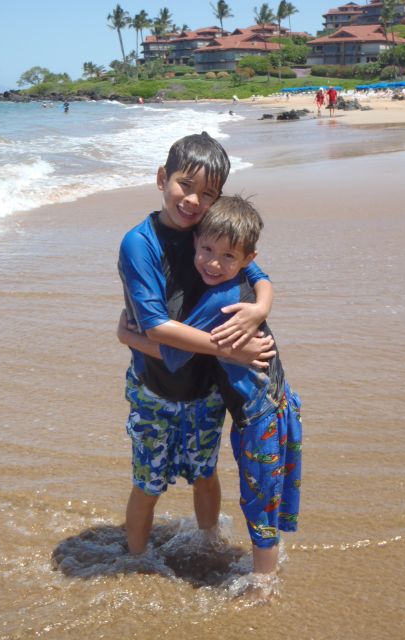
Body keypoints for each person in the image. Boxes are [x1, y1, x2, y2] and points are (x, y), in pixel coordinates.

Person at [118, 195, 302, 590]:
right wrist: (260, 306)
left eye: (227, 256)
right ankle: (259, 572)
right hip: (275, 402)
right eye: (207, 250)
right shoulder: (236, 281)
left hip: (259, 415)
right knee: (264, 496)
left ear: (246, 258)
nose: (213, 263)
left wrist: (126, 336)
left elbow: (174, 353)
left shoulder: (220, 298)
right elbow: (256, 276)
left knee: (260, 500)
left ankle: (263, 586)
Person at [117, 133, 275, 557]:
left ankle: (210, 546)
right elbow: (156, 327)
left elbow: (256, 271)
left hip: (205, 389)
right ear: (162, 178)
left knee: (205, 475)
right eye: (185, 185)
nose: (192, 201)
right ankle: (136, 561)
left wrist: (260, 308)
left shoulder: (207, 231)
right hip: (154, 390)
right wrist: (230, 349)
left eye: (208, 194)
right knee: (147, 484)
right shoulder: (140, 244)